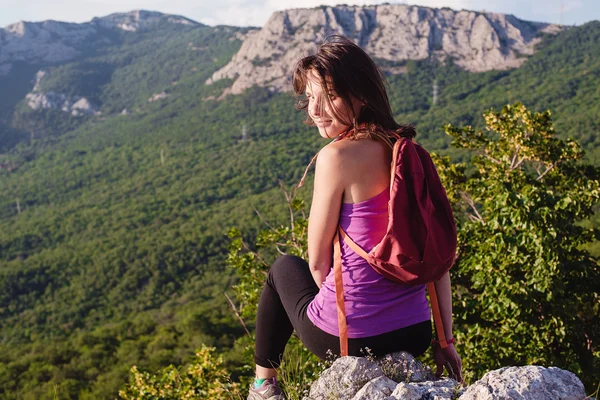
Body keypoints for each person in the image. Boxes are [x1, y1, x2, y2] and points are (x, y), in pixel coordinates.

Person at [248, 35, 462, 400]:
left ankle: (262, 388)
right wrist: (445, 340)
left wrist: (352, 308)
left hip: (348, 337)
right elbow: (436, 261)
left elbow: (317, 265)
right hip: (415, 334)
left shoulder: (337, 156)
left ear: (361, 95)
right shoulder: (410, 153)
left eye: (328, 96)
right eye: (310, 98)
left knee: (283, 268)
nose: (316, 110)